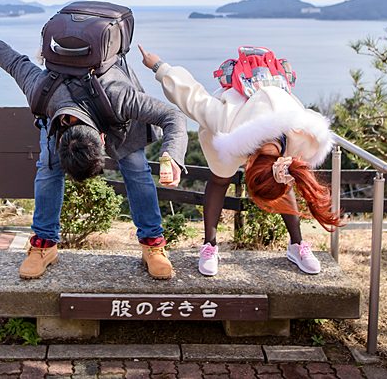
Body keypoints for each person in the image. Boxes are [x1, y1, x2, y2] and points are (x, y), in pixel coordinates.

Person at [0, 18, 189, 280]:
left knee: (136, 168)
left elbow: (174, 116)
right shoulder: (41, 90)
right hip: (60, 111)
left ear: (103, 139)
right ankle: (44, 245)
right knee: (47, 169)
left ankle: (153, 245)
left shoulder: (120, 94)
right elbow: (13, 62)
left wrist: (171, 156)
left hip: (113, 113)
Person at [138, 44, 341, 276]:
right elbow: (195, 99)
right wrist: (159, 67)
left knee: (283, 184)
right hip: (235, 121)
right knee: (220, 180)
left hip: (280, 117)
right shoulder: (226, 123)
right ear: (249, 163)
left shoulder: (305, 138)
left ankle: (297, 245)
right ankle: (210, 245)